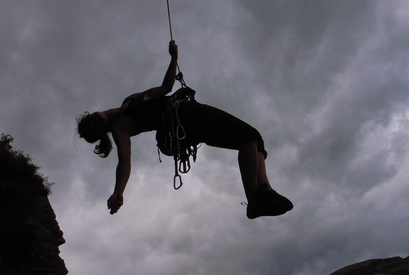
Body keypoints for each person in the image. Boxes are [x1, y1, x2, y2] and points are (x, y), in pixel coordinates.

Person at [77, 41, 293, 219]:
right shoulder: (119, 127)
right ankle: (255, 202)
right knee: (247, 138)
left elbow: (165, 88)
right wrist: (118, 192)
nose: (93, 121)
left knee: (255, 139)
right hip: (186, 119)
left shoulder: (130, 100)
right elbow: (124, 162)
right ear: (101, 132)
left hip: (188, 115)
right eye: (92, 127)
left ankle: (265, 189)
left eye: (88, 120)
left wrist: (173, 58)